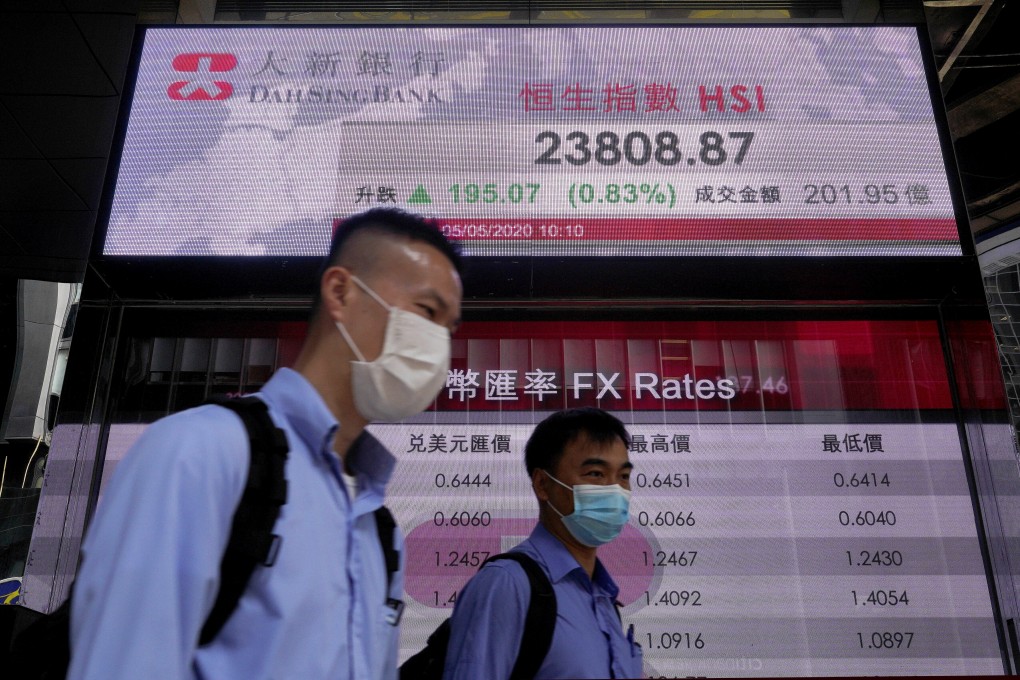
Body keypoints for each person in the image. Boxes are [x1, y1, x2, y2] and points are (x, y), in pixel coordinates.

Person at [68, 207, 463, 680]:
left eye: (450, 327)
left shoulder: (376, 527)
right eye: (426, 312)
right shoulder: (200, 452)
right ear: (341, 292)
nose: (438, 343)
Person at [442, 408, 643, 679]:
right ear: (542, 484)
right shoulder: (507, 584)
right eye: (595, 474)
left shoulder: (603, 597)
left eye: (623, 477)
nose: (614, 490)